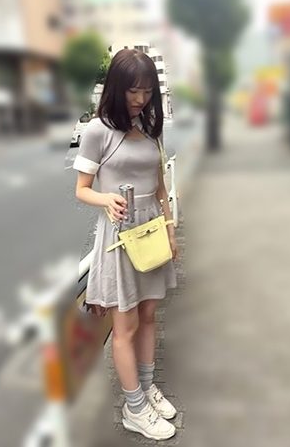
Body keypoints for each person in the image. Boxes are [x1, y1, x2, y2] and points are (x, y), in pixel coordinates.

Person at [74, 48, 178, 441]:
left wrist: (170, 229)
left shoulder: (150, 128)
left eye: (148, 91)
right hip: (120, 236)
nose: (141, 99)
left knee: (149, 315)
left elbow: (161, 186)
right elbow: (82, 189)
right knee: (125, 325)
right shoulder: (97, 131)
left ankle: (147, 389)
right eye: (134, 91)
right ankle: (134, 408)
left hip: (152, 229)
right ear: (117, 88)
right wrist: (106, 199)